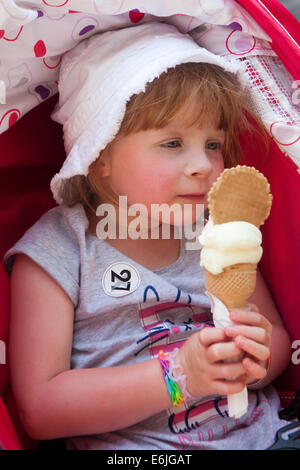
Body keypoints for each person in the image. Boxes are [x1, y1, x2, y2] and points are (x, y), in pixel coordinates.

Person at [3, 23, 291, 450]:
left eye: (213, 144)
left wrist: (255, 356)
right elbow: (40, 411)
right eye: (173, 143)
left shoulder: (216, 230)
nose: (204, 165)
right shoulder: (58, 251)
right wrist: (180, 376)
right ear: (99, 155)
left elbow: (278, 344)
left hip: (265, 435)